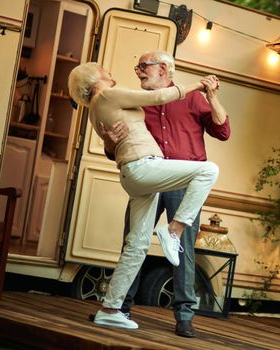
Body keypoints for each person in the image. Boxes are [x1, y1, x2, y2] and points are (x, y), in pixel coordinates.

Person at [68, 62, 220, 330]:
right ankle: (173, 231)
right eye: (102, 68)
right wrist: (200, 85)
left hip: (136, 174)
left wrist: (110, 142)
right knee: (208, 171)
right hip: (143, 167)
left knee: (137, 245)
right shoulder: (106, 95)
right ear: (94, 78)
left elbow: (115, 140)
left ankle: (110, 308)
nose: (109, 70)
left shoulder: (95, 109)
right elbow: (158, 97)